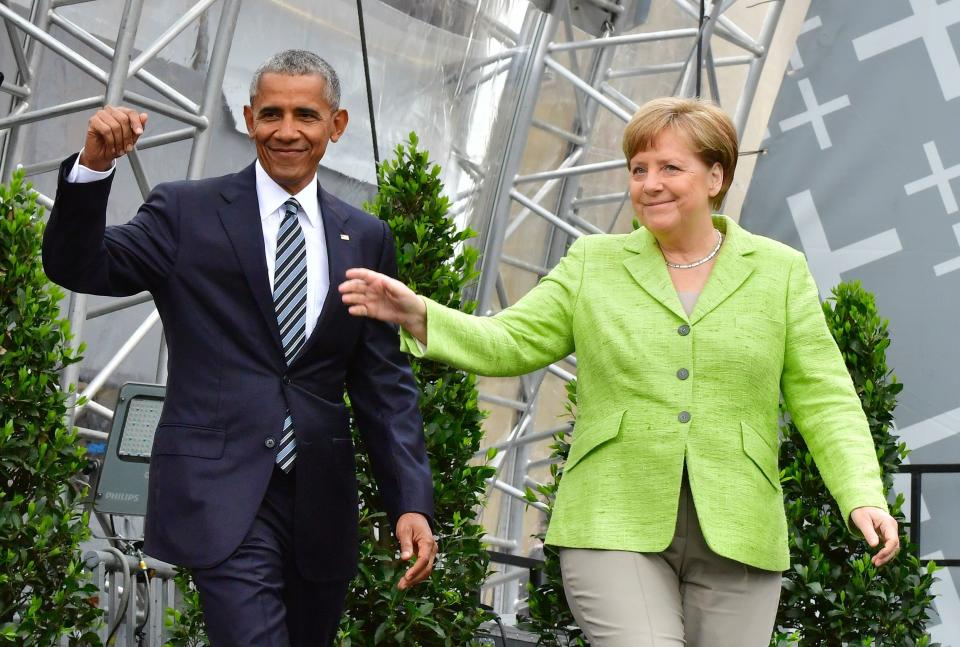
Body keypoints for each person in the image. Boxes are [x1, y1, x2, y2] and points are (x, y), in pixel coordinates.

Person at [339, 96, 900, 646]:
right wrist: (418, 313)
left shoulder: (779, 271)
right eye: (638, 169)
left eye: (669, 168)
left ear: (715, 177)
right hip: (611, 519)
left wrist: (862, 494)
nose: (649, 183)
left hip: (741, 530)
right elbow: (510, 341)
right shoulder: (593, 262)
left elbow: (824, 396)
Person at [43, 50, 437, 646]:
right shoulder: (185, 211)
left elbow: (382, 381)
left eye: (305, 115)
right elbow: (79, 263)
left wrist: (411, 500)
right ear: (250, 118)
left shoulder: (367, 236)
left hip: (320, 500)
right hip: (219, 490)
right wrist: (93, 169)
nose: (286, 131)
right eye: (271, 114)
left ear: (337, 125)